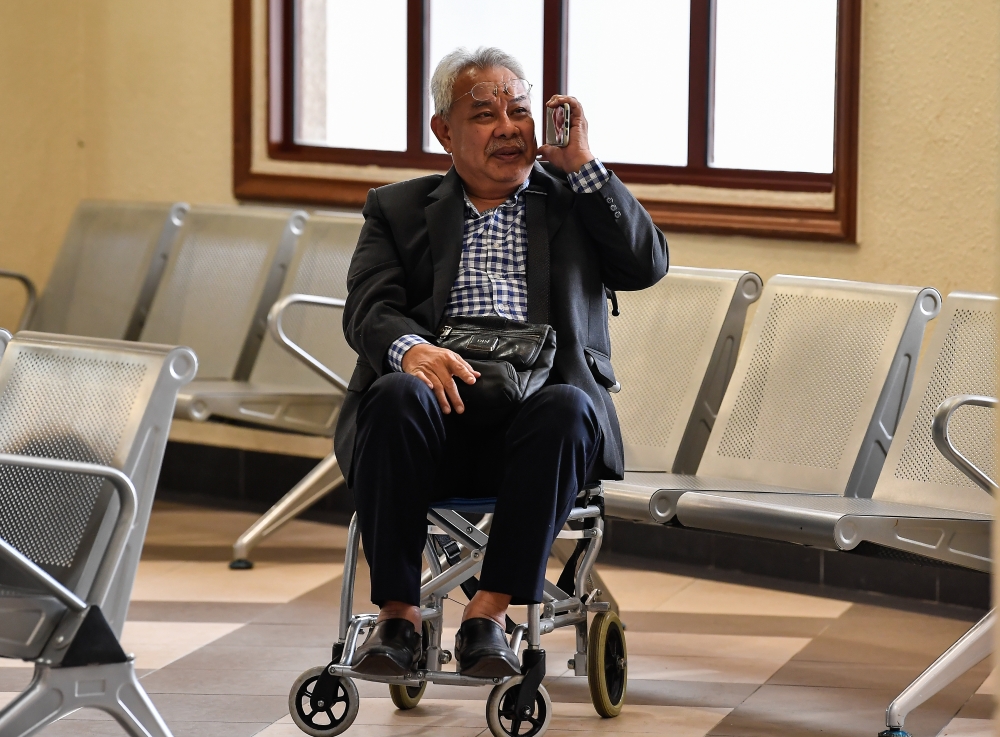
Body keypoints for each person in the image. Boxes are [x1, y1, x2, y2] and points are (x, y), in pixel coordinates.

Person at [337, 46, 668, 678]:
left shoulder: (573, 201)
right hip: (433, 419)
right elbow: (368, 311)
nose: (510, 128)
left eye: (519, 110)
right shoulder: (397, 209)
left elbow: (644, 264)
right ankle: (398, 618)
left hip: (538, 429)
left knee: (568, 407)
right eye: (485, 114)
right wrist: (414, 351)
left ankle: (487, 616)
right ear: (444, 131)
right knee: (392, 393)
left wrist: (584, 168)